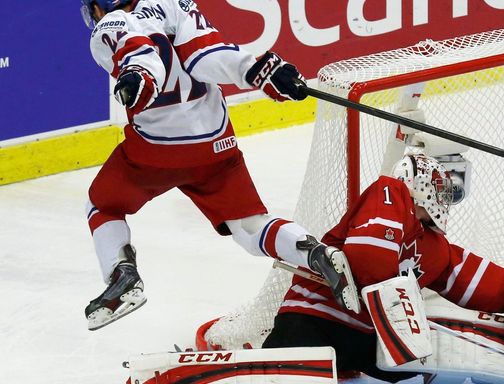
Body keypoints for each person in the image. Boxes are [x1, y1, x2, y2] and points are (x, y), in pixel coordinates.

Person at [79, 0, 360, 331]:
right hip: (216, 144)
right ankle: (313, 252)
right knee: (250, 226)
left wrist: (138, 80)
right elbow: (207, 56)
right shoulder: (175, 4)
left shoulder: (108, 25)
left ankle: (122, 276)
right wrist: (261, 72)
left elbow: (140, 55)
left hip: (157, 151)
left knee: (103, 204)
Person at [262, 153, 504, 382]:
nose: (444, 198)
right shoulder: (390, 193)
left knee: (438, 359)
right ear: (420, 183)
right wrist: (400, 310)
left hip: (369, 340)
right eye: (440, 188)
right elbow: (368, 259)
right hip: (314, 317)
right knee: (281, 371)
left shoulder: (432, 247)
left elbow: (471, 277)